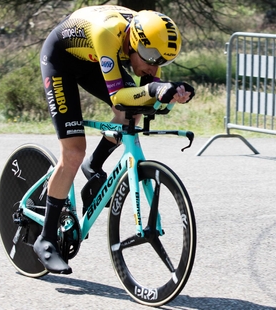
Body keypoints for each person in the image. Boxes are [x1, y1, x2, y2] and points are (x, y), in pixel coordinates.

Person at [36, 5, 195, 274]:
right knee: (73, 152)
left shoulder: (148, 47)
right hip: (60, 60)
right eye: (148, 59)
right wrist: (155, 89)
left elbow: (148, 100)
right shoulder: (107, 33)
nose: (151, 67)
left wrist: (171, 97)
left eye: (161, 63)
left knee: (131, 115)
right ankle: (46, 239)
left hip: (92, 61)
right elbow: (118, 98)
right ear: (134, 42)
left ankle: (93, 165)